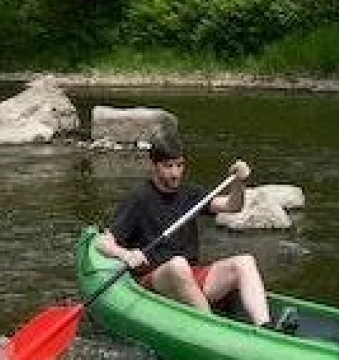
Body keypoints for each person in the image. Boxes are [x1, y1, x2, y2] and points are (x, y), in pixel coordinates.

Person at [95, 131, 276, 328]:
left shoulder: (190, 193)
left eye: (179, 165)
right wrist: (127, 255)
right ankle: (213, 327)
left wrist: (239, 183)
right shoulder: (139, 198)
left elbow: (233, 206)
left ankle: (265, 326)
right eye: (168, 166)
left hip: (191, 275)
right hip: (156, 280)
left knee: (245, 262)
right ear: (154, 165)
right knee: (177, 265)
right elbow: (103, 242)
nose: (175, 173)